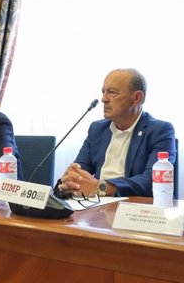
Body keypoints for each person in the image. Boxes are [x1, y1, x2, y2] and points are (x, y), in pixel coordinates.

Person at [58, 68, 176, 198]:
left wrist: (101, 187)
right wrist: (71, 180)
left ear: (137, 98)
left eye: (112, 92)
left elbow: (151, 180)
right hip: (96, 207)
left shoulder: (160, 131)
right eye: (103, 92)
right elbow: (80, 171)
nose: (103, 99)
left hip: (135, 210)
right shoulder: (97, 129)